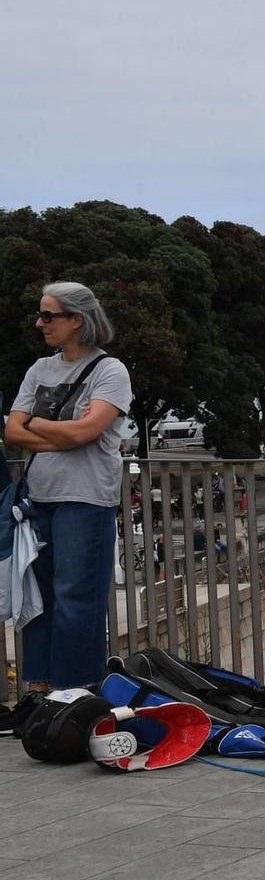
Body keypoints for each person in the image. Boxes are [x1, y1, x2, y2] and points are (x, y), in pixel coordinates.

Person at [2, 282, 134, 731]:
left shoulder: (110, 371)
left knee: (77, 598)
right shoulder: (39, 368)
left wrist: (36, 424)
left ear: (77, 319)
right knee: (38, 600)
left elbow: (87, 433)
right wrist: (61, 428)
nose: (40, 324)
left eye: (48, 316)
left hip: (85, 498)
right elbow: (12, 434)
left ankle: (75, 695)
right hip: (39, 498)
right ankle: (37, 695)